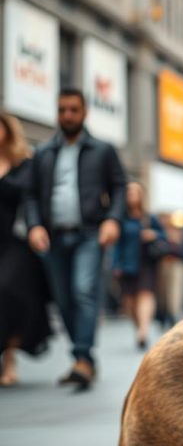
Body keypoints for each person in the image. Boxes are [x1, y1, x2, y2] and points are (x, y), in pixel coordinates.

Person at [23, 88, 126, 390]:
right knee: (64, 300)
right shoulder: (43, 153)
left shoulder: (103, 150)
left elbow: (119, 187)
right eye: (62, 110)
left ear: (84, 113)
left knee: (83, 291)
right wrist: (33, 226)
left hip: (90, 234)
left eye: (73, 110)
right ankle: (85, 361)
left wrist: (113, 220)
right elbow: (30, 195)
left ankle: (82, 357)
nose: (67, 115)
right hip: (53, 238)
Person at [0, 111, 53, 387]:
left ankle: (10, 358)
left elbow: (28, 196)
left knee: (7, 291)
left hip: (15, 241)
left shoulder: (23, 163)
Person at [111, 182, 166, 350]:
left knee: (145, 294)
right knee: (130, 301)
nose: (132, 195)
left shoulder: (149, 218)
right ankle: (139, 326)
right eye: (129, 193)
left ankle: (143, 331)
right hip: (127, 263)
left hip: (146, 262)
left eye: (135, 192)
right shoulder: (120, 219)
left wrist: (154, 235)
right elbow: (116, 244)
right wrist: (115, 264)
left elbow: (163, 236)